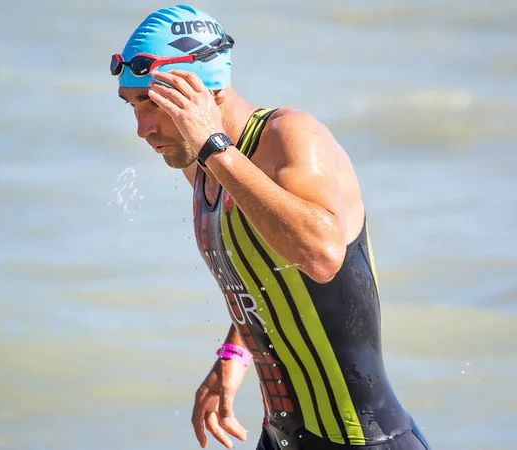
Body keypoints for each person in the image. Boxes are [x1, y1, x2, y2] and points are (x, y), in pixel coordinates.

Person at [111, 4, 431, 450]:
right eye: (132, 105)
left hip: (363, 440)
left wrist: (212, 145)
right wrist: (232, 355)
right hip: (281, 438)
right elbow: (267, 275)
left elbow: (321, 256)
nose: (142, 128)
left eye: (153, 103)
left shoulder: (290, 136)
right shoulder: (205, 163)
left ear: (207, 91)